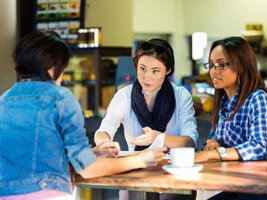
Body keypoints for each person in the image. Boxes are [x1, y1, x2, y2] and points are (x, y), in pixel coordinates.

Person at [0, 31, 166, 200]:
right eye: (63, 69)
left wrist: (93, 152)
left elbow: (40, 158)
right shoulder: (60, 98)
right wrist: (140, 159)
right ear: (51, 68)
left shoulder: (3, 100)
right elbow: (88, 169)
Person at [94, 38, 198, 200]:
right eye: (142, 69)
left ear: (168, 70)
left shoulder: (181, 95)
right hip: (135, 170)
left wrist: (159, 137)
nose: (147, 77)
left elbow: (189, 142)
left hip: (173, 173)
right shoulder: (124, 95)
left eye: (155, 71)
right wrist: (104, 143)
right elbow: (103, 130)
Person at [194, 36, 267, 200]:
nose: (213, 70)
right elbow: (210, 144)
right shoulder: (223, 103)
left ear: (242, 66)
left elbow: (261, 146)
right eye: (211, 64)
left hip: (263, 190)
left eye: (221, 64)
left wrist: (214, 153)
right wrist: (212, 144)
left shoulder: (258, 98)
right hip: (237, 186)